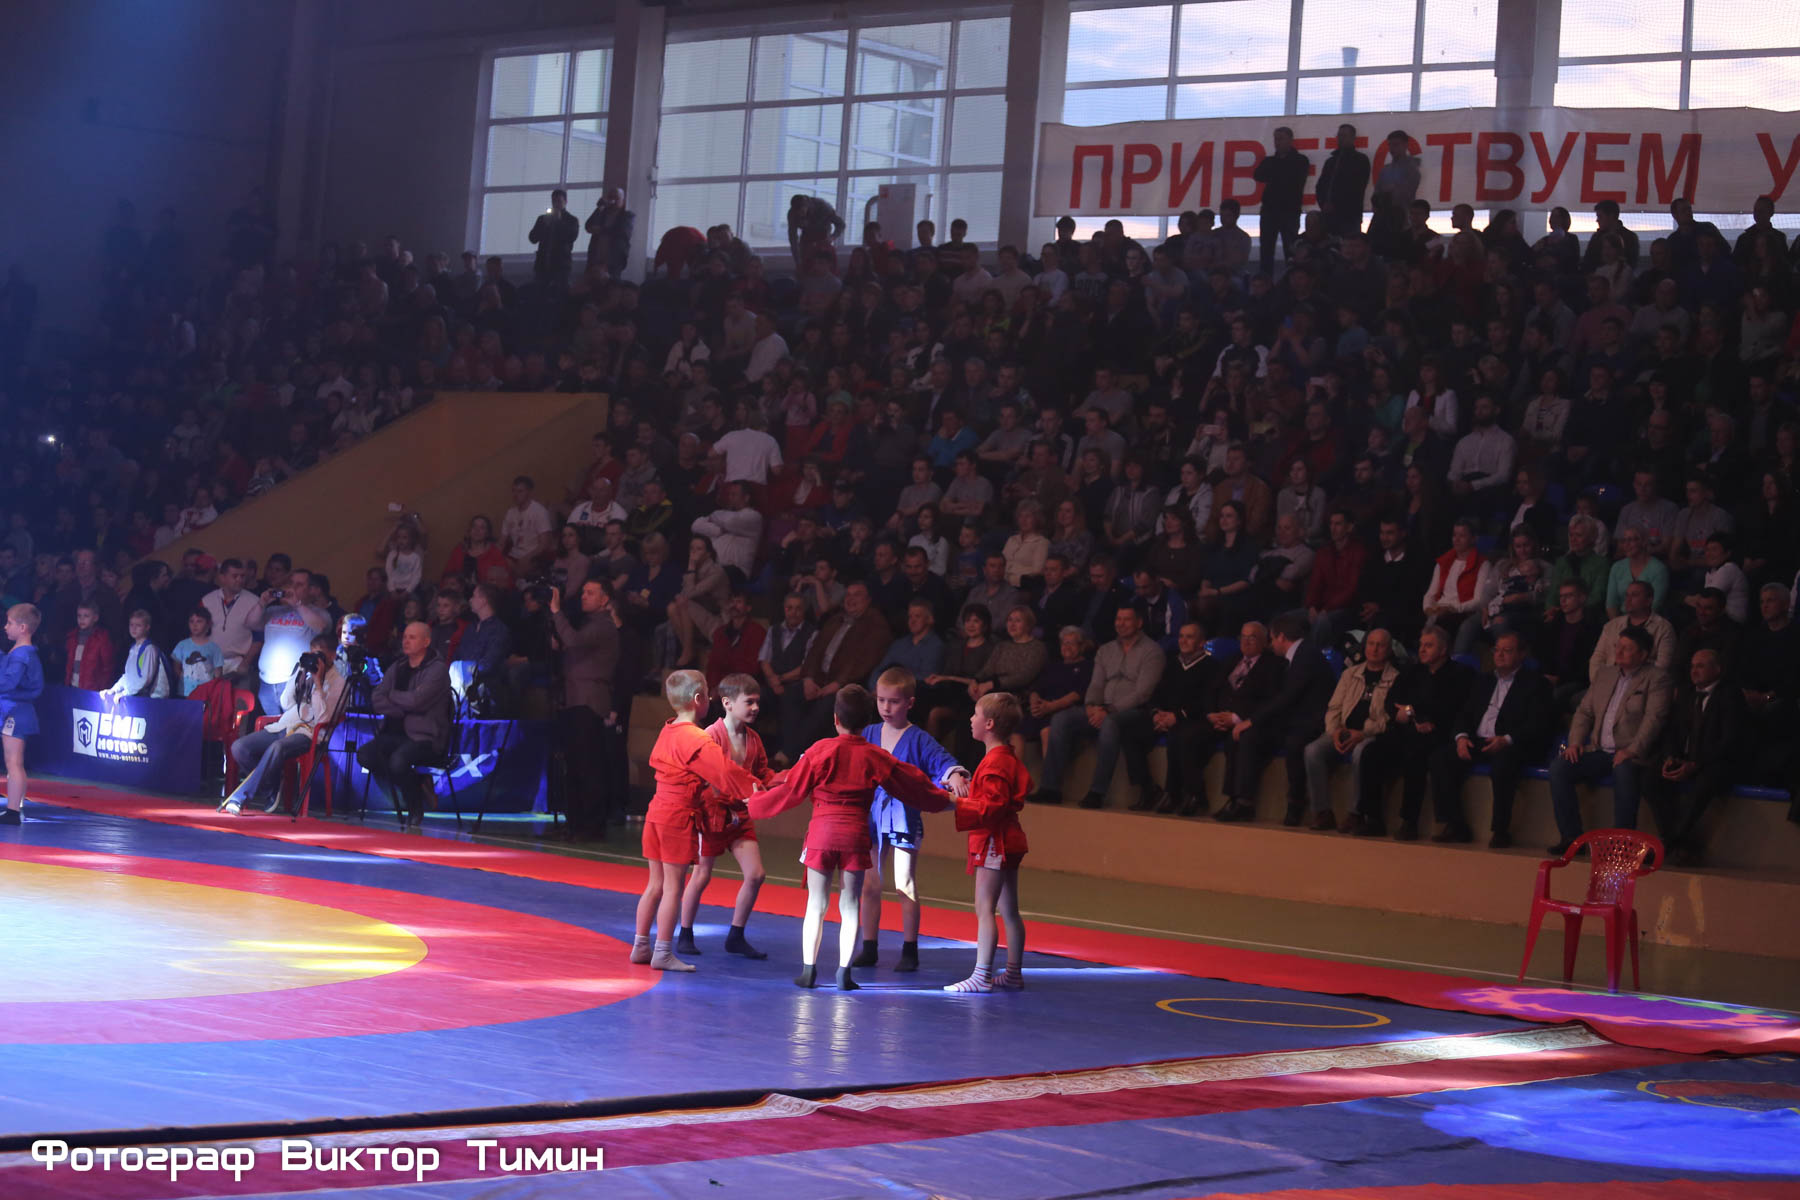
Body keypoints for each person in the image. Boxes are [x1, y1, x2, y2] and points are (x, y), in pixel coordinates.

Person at [747, 685, 953, 990]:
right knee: (851, 904)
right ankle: (844, 973)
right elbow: (912, 784)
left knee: (816, 903)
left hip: (822, 834)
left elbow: (791, 789)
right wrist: (947, 801)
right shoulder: (875, 755)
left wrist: (756, 803)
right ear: (867, 720)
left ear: (835, 719)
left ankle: (808, 971)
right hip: (855, 837)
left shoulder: (820, 750)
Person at [638, 670, 761, 973]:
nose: (710, 699)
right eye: (708, 694)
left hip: (656, 813)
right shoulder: (697, 739)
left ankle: (641, 945)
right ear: (698, 699)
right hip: (676, 817)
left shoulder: (668, 729)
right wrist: (757, 790)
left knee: (655, 885)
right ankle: (662, 951)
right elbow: (725, 773)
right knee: (673, 888)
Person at [855, 667, 970, 972]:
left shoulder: (919, 739)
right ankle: (869, 946)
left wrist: (955, 775)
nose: (886, 707)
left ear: (909, 703)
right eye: (881, 700)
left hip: (903, 817)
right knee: (870, 884)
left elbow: (943, 762)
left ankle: (910, 949)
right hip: (872, 818)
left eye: (893, 701)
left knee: (904, 883)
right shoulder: (868, 734)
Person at [674, 673, 776, 960]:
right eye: (749, 702)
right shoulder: (710, 735)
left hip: (740, 816)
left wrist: (788, 779)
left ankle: (736, 935)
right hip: (713, 815)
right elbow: (700, 775)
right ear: (728, 703)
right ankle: (685, 932)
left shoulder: (753, 739)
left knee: (756, 875)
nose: (755, 708)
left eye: (757, 702)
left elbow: (763, 774)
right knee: (702, 874)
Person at [1549, 625, 1673, 853]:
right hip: (1598, 750)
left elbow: (1654, 719)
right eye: (1618, 646)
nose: (1619, 651)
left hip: (1632, 753)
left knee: (1624, 770)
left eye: (1627, 648)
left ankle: (1622, 843)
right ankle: (1572, 838)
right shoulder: (1605, 674)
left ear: (1643, 654)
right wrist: (1575, 742)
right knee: (1559, 767)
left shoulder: (1657, 678)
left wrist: (1632, 750)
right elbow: (1584, 712)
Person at [1428, 631, 1554, 848]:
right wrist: (1461, 737)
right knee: (1440, 758)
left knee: (1504, 764)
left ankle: (1500, 830)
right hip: (1478, 740)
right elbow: (1465, 713)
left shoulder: (1536, 684)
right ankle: (1455, 825)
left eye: (1507, 650)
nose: (1500, 655)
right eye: (1497, 650)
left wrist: (1506, 739)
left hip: (1512, 743)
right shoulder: (1483, 680)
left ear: (1521, 654)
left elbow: (1538, 723)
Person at [1036, 602, 1164, 810]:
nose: (1121, 624)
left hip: (1135, 711)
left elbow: (1143, 693)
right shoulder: (1106, 650)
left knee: (1110, 723)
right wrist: (1091, 706)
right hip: (1101, 708)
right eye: (1118, 619)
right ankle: (1050, 788)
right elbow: (1096, 684)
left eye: (1127, 619)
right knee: (1061, 718)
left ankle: (1097, 792)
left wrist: (1108, 710)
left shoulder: (1152, 651)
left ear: (1139, 623)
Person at [945, 691, 1031, 993]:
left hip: (995, 841)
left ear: (990, 723)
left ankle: (981, 976)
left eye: (976, 714)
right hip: (1007, 839)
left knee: (984, 908)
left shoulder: (995, 762)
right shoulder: (1005, 757)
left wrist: (956, 801)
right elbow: (995, 797)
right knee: (1009, 910)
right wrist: (970, 790)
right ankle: (1013, 973)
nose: (971, 719)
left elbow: (992, 806)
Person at [1215, 613, 1335, 825]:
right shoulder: (1297, 655)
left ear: (1281, 637)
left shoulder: (1307, 655)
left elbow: (1288, 696)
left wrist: (1251, 720)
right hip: (1291, 720)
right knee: (1245, 736)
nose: (1271, 645)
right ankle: (1241, 800)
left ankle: (1296, 802)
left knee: (1294, 743)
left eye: (1271, 639)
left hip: (1310, 722)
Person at [221, 635, 343, 815]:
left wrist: (318, 684)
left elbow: (323, 718)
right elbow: (286, 703)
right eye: (312, 653)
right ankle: (271, 786)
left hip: (309, 734)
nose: (315, 659)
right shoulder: (305, 672)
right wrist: (298, 674)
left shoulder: (338, 682)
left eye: (320, 654)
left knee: (277, 747)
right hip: (285, 725)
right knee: (239, 747)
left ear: (331, 655)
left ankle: (240, 797)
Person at [1648, 649, 1745, 867]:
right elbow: (1672, 730)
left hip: (1714, 762)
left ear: (1717, 669)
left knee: (1705, 782)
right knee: (1650, 779)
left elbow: (1729, 740)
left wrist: (1696, 764)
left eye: (1700, 666)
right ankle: (1680, 842)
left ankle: (1668, 842)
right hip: (1685, 758)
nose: (1694, 671)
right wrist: (1670, 757)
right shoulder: (1686, 693)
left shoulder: (1730, 695)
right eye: (1692, 666)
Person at [357, 621, 453, 834]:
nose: (406, 641)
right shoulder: (398, 666)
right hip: (394, 731)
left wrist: (392, 696)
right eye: (405, 637)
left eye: (412, 637)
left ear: (426, 642)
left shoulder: (437, 670)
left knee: (398, 761)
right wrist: (401, 707)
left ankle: (415, 806)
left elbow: (418, 701)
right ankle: (416, 783)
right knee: (365, 755)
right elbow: (377, 698)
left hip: (425, 736)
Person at [1301, 627, 1399, 831]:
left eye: (1380, 645)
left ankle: (1356, 813)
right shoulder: (1350, 674)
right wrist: (1334, 731)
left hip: (1370, 734)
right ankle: (1322, 812)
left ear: (1389, 650)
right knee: (1312, 750)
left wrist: (1363, 733)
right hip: (1343, 730)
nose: (1374, 649)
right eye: (1371, 644)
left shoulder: (1395, 678)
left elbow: (1388, 717)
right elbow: (1334, 708)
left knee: (1361, 753)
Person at [549, 577, 621, 838]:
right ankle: (576, 822)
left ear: (605, 599)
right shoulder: (590, 624)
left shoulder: (603, 625)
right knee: (574, 764)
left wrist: (556, 612)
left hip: (588, 701)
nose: (584, 596)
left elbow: (574, 641)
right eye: (583, 592)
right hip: (575, 699)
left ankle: (590, 825)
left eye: (591, 592)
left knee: (587, 764)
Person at [1134, 622, 1219, 816]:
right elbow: (1157, 694)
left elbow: (1206, 701)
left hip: (1195, 719)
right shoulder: (1173, 664)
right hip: (1167, 718)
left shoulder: (1211, 666)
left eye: (1189, 637)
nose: (1183, 640)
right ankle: (1148, 788)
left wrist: (1177, 716)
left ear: (1201, 642)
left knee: (1181, 736)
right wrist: (1156, 713)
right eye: (1181, 636)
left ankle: (1187, 793)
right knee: (1132, 732)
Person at [0, 604, 44, 825]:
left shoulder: (21, 655)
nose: (5, 627)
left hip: (15, 711)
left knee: (14, 762)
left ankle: (13, 811)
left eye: (10, 623)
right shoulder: (21, 653)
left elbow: (8, 682)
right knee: (14, 762)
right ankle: (14, 807)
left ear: (23, 627)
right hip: (16, 709)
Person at [1252, 126, 1309, 276]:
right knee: (1266, 250)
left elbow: (1292, 180)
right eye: (1276, 139)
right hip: (1270, 210)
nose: (1277, 142)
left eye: (1281, 138)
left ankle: (1292, 280)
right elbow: (1258, 175)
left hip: (1289, 210)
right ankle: (1265, 281)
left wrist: (1275, 173)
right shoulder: (1271, 161)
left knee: (1290, 250)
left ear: (1290, 140)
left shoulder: (1300, 160)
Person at [1315, 122, 1370, 238]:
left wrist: (1334, 204)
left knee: (1349, 245)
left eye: (1344, 136)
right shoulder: (1331, 161)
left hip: (1349, 216)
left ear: (1353, 138)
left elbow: (1357, 188)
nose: (1340, 139)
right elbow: (1321, 185)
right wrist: (1323, 203)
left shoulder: (1361, 160)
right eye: (1339, 135)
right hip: (1329, 216)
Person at [103, 609, 171, 700]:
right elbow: (128, 676)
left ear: (147, 627)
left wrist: (126, 693)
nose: (133, 628)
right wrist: (114, 689)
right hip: (137, 696)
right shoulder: (133, 648)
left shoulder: (149, 649)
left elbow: (145, 679)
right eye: (131, 625)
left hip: (152, 700)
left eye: (138, 625)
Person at [528, 188, 580, 292]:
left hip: (561, 265)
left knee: (560, 293)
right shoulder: (543, 219)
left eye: (559, 201)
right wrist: (544, 225)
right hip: (543, 263)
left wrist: (559, 221)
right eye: (554, 201)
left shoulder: (572, 220)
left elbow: (571, 237)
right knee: (540, 292)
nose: (556, 204)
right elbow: (532, 238)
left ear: (565, 202)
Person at [171, 608, 224, 697]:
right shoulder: (182, 645)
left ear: (208, 624)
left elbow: (218, 674)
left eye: (199, 621)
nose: (194, 625)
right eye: (191, 621)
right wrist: (185, 679)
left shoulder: (214, 648)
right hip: (185, 692)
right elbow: (176, 667)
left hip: (206, 693)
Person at [584, 186, 635, 277]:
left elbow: (622, 232)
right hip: (595, 259)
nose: (613, 200)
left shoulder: (627, 216)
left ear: (623, 200)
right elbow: (588, 226)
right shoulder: (602, 213)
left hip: (614, 261)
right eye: (611, 197)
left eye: (616, 198)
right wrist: (599, 208)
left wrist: (600, 230)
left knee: (612, 284)